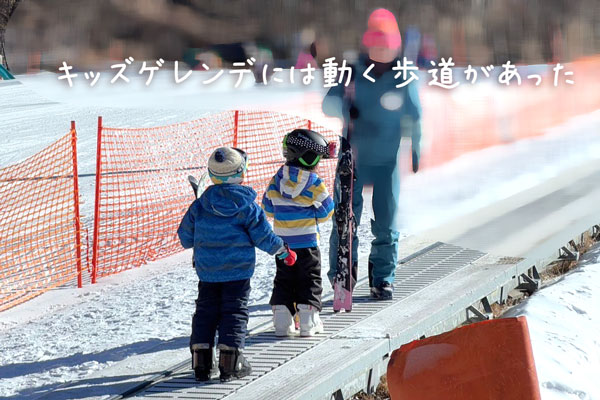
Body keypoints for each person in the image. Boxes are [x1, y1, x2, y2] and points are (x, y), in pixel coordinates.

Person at [323, 8, 422, 300]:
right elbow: (327, 104)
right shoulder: (351, 70)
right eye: (375, 44)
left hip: (387, 159)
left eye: (386, 45)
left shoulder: (403, 74)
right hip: (352, 157)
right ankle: (342, 276)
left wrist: (416, 147)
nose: (381, 51)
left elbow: (415, 114)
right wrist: (345, 106)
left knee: (386, 221)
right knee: (345, 220)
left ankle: (383, 277)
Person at [177, 146, 296, 382]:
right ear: (241, 173)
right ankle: (230, 362)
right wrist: (283, 251)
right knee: (234, 313)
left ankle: (201, 361)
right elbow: (263, 236)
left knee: (205, 312)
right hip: (238, 273)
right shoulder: (247, 207)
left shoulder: (200, 206)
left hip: (208, 272)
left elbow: (185, 238)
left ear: (211, 176)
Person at [262, 129, 335, 337]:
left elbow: (267, 207)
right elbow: (326, 211)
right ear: (310, 157)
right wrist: (312, 214)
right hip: (307, 244)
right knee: (309, 280)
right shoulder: (314, 183)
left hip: (282, 245)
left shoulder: (277, 179)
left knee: (284, 279)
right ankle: (308, 323)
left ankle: (282, 323)